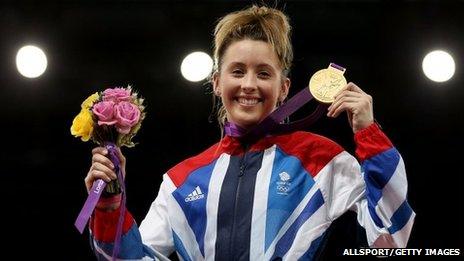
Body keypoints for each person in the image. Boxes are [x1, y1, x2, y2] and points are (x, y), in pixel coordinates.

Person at [85, 5, 415, 260]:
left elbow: (390, 240)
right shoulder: (181, 180)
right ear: (216, 82)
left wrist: (369, 135)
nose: (249, 85)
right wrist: (110, 206)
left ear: (284, 88)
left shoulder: (321, 160)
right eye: (238, 71)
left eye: (263, 73)